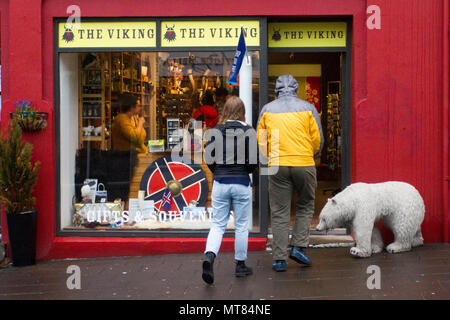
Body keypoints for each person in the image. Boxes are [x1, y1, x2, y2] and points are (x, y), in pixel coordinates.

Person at [257, 74, 323, 272]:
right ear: (296, 89)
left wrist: (268, 158)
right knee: (305, 205)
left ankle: (279, 259)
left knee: (279, 211)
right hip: (303, 161)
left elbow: (261, 140)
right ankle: (298, 247)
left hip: (277, 164)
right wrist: (312, 155)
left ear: (276, 90)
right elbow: (317, 139)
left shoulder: (267, 109)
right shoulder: (308, 108)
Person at [201, 96, 258, 284]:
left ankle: (209, 256)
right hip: (241, 182)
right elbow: (253, 162)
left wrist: (218, 172)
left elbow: (209, 158)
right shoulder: (248, 131)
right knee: (241, 225)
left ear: (225, 111)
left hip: (220, 183)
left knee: (218, 224)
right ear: (242, 111)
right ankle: (240, 265)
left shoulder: (216, 131)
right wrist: (245, 172)